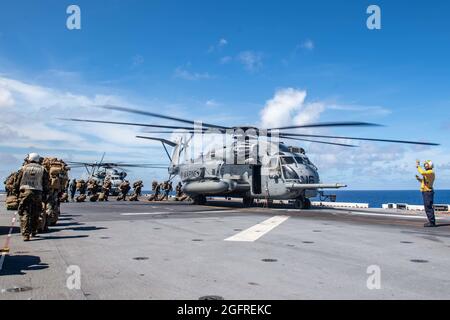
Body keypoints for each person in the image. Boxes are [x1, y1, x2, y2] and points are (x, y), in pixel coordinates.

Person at [13, 153, 49, 241]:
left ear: (29, 159)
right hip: (38, 193)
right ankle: (33, 230)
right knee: (36, 212)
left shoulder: (23, 168)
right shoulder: (43, 169)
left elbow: (17, 182)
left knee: (24, 212)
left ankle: (26, 234)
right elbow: (46, 183)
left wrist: (15, 191)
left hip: (25, 192)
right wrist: (45, 194)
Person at [416, 160, 436, 227]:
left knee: (428, 207)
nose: (425, 165)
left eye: (426, 164)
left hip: (428, 192)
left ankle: (432, 222)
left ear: (430, 165)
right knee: (427, 207)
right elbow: (424, 182)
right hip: (426, 191)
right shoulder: (428, 173)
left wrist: (418, 166)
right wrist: (419, 179)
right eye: (425, 164)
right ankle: (431, 221)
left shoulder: (430, 172)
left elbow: (422, 172)